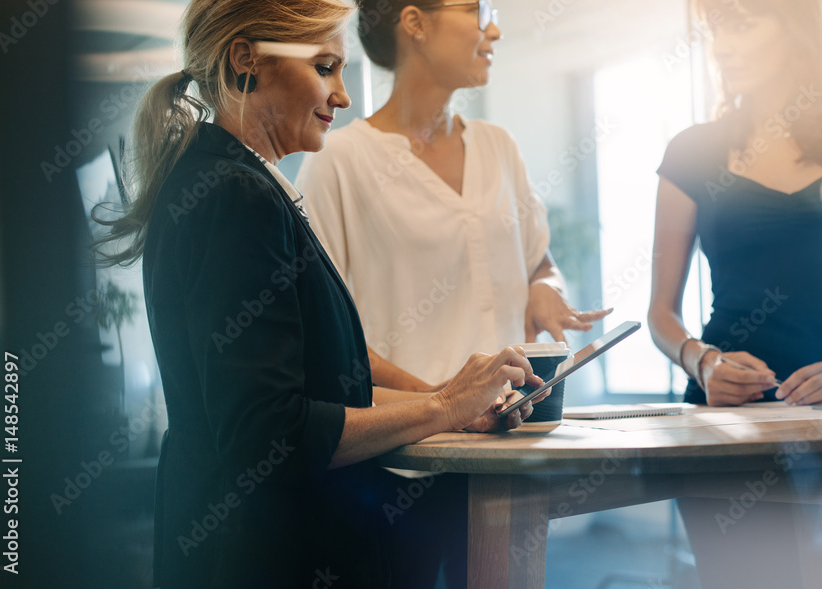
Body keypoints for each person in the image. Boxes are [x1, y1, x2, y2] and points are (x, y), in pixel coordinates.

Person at [91, 1, 542, 587]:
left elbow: (325, 392)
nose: (343, 95)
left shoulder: (234, 181)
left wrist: (450, 401)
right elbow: (270, 433)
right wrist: (440, 408)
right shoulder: (234, 196)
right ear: (246, 61)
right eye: (325, 68)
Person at [646, 0, 822, 586]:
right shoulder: (692, 151)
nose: (723, 43)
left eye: (744, 22)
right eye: (716, 27)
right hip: (723, 432)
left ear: (796, 26)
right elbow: (660, 313)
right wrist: (703, 363)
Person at [295, 0, 611, 394]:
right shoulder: (339, 162)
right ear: (415, 23)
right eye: (479, 11)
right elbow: (330, 334)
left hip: (516, 426)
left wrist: (547, 287)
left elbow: (540, 264)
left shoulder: (499, 147)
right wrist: (444, 406)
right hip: (411, 446)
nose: (494, 30)